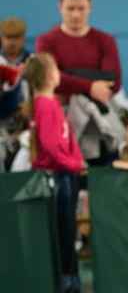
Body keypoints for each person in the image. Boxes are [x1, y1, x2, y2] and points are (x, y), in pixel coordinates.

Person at [22, 53, 85, 292]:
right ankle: (65, 277)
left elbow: (65, 139)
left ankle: (67, 275)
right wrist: (73, 164)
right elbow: (51, 144)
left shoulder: (48, 103)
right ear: (50, 76)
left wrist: (76, 160)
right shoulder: (45, 105)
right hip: (57, 175)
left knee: (66, 227)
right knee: (62, 230)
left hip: (62, 173)